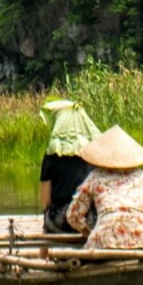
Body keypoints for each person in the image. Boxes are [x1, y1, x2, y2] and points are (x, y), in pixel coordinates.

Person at [65, 126, 143, 250]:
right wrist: (140, 228)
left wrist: (87, 231)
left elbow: (73, 216)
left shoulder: (95, 177)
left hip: (104, 240)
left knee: (86, 250)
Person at [38, 98, 98, 234]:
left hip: (59, 222)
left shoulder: (51, 156)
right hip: (88, 221)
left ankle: (46, 250)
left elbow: (46, 201)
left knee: (49, 213)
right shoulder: (93, 153)